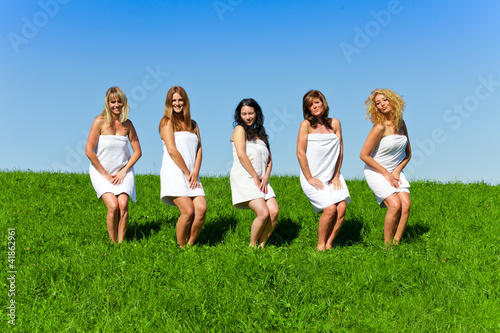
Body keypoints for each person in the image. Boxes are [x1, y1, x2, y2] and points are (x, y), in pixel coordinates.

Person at [85, 86, 142, 243]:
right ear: (107, 104)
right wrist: (104, 174)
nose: (116, 105)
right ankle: (112, 242)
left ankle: (121, 243)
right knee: (113, 206)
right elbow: (89, 151)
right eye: (113, 102)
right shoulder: (99, 122)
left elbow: (137, 152)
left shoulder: (128, 124)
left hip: (123, 171)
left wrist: (124, 171)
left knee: (123, 204)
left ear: (124, 103)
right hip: (101, 172)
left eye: (119, 102)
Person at [297, 90, 351, 251]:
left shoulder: (335, 123)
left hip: (333, 175)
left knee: (341, 207)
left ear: (323, 102)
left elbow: (340, 151)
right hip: (312, 177)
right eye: (310, 105)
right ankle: (320, 245)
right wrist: (309, 177)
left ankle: (329, 243)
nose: (314, 106)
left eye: (317, 102)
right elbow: (300, 152)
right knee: (330, 208)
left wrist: (336, 175)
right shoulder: (305, 125)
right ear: (307, 109)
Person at [360, 88, 411, 245]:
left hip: (395, 171)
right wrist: (386, 174)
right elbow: (363, 155)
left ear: (393, 100)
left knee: (406, 204)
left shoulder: (401, 124)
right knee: (395, 205)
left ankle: (396, 242)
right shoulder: (379, 127)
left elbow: (408, 154)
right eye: (378, 103)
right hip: (376, 171)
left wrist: (396, 171)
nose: (382, 104)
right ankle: (387, 246)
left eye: (384, 100)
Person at [159, 86, 206, 249]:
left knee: (201, 209)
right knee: (187, 211)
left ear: (185, 102)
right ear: (169, 103)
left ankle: (190, 245)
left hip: (192, 174)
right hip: (175, 173)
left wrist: (195, 172)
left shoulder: (193, 124)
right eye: (174, 100)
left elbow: (199, 148)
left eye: (180, 100)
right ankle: (180, 247)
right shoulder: (166, 122)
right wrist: (186, 172)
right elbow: (172, 150)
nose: (177, 103)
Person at [230, 98, 279, 248]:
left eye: (251, 113)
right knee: (263, 213)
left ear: (256, 114)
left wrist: (265, 177)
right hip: (245, 176)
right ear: (239, 115)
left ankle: (262, 245)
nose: (248, 117)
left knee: (274, 212)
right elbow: (241, 155)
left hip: (262, 179)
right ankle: (252, 247)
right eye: (244, 114)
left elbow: (269, 159)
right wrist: (254, 176)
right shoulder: (239, 129)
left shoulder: (261, 133)